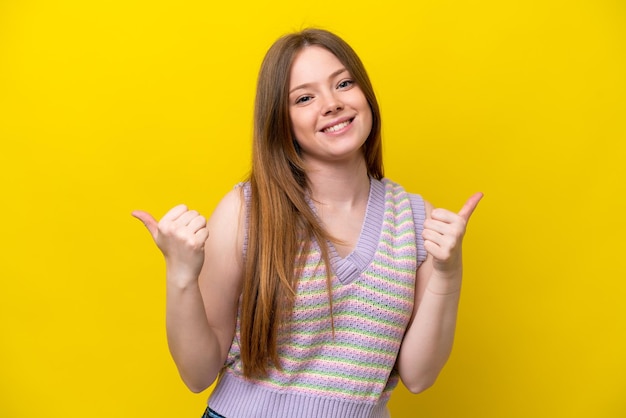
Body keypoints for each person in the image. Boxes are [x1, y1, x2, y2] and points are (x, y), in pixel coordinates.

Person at [132, 28, 482, 418]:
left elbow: (418, 376)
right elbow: (197, 374)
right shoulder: (248, 210)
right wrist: (180, 274)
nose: (332, 104)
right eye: (304, 98)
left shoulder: (417, 221)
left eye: (344, 83)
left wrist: (448, 273)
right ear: (281, 122)